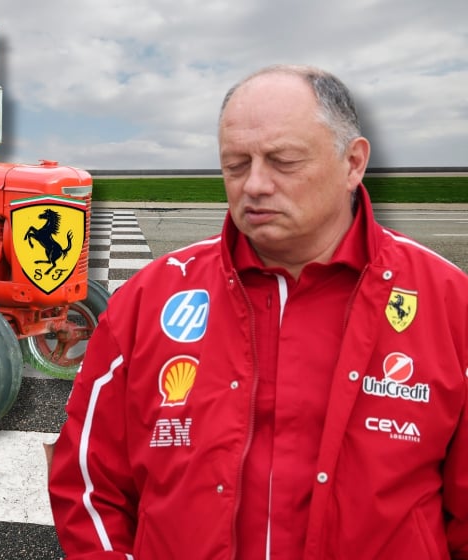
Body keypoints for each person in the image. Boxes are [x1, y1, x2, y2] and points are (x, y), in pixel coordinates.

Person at [47, 64, 468, 559]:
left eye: (283, 160)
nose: (255, 185)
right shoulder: (147, 301)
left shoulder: (448, 302)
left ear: (353, 163)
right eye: (236, 164)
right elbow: (87, 484)